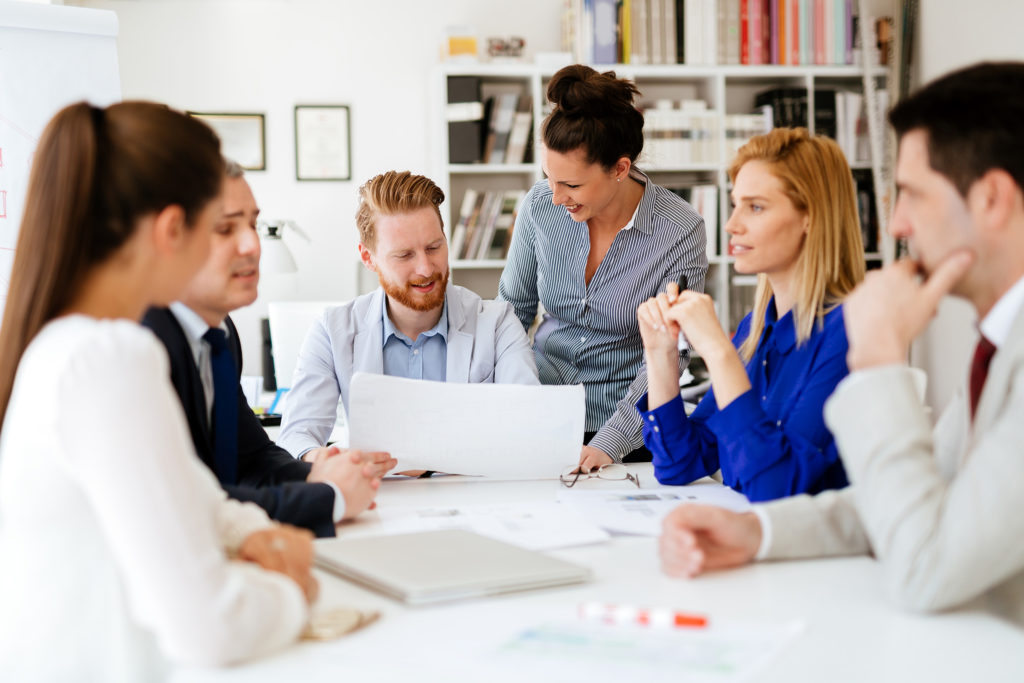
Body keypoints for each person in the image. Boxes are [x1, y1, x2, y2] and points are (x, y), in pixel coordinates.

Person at [658, 61, 1024, 626]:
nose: (897, 224)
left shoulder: (852, 331)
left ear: (992, 199)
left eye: (912, 194)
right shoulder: (998, 349)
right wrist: (758, 532)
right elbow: (903, 503)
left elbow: (926, 566)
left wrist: (878, 361)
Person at [0, 102, 318, 680]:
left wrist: (255, 535)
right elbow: (208, 627)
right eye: (217, 227)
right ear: (173, 230)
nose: (242, 247)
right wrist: (293, 590)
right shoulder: (108, 360)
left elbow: (195, 493)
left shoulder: (68, 346)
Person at [143, 161, 394, 537]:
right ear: (172, 238)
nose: (252, 245)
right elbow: (186, 504)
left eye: (253, 224)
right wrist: (330, 496)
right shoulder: (142, 343)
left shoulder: (219, 332)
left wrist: (320, 471)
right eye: (226, 228)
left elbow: (253, 457)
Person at [497, 64, 708, 472]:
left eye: (572, 185)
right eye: (549, 179)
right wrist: (514, 402)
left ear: (620, 168)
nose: (556, 197)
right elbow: (510, 314)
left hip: (627, 428)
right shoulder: (541, 204)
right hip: (537, 412)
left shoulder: (681, 230)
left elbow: (668, 354)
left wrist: (610, 443)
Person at [636, 128, 864, 501]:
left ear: (811, 216)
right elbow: (682, 462)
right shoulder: (756, 330)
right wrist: (660, 353)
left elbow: (777, 491)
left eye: (755, 207)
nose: (731, 225)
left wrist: (718, 351)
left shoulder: (850, 332)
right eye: (735, 204)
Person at [278, 170, 539, 460]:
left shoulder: (497, 323)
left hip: (474, 495)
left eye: (434, 247)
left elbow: (529, 423)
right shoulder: (332, 330)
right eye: (404, 255)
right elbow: (296, 434)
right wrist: (321, 458)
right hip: (378, 496)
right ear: (369, 258)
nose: (426, 269)